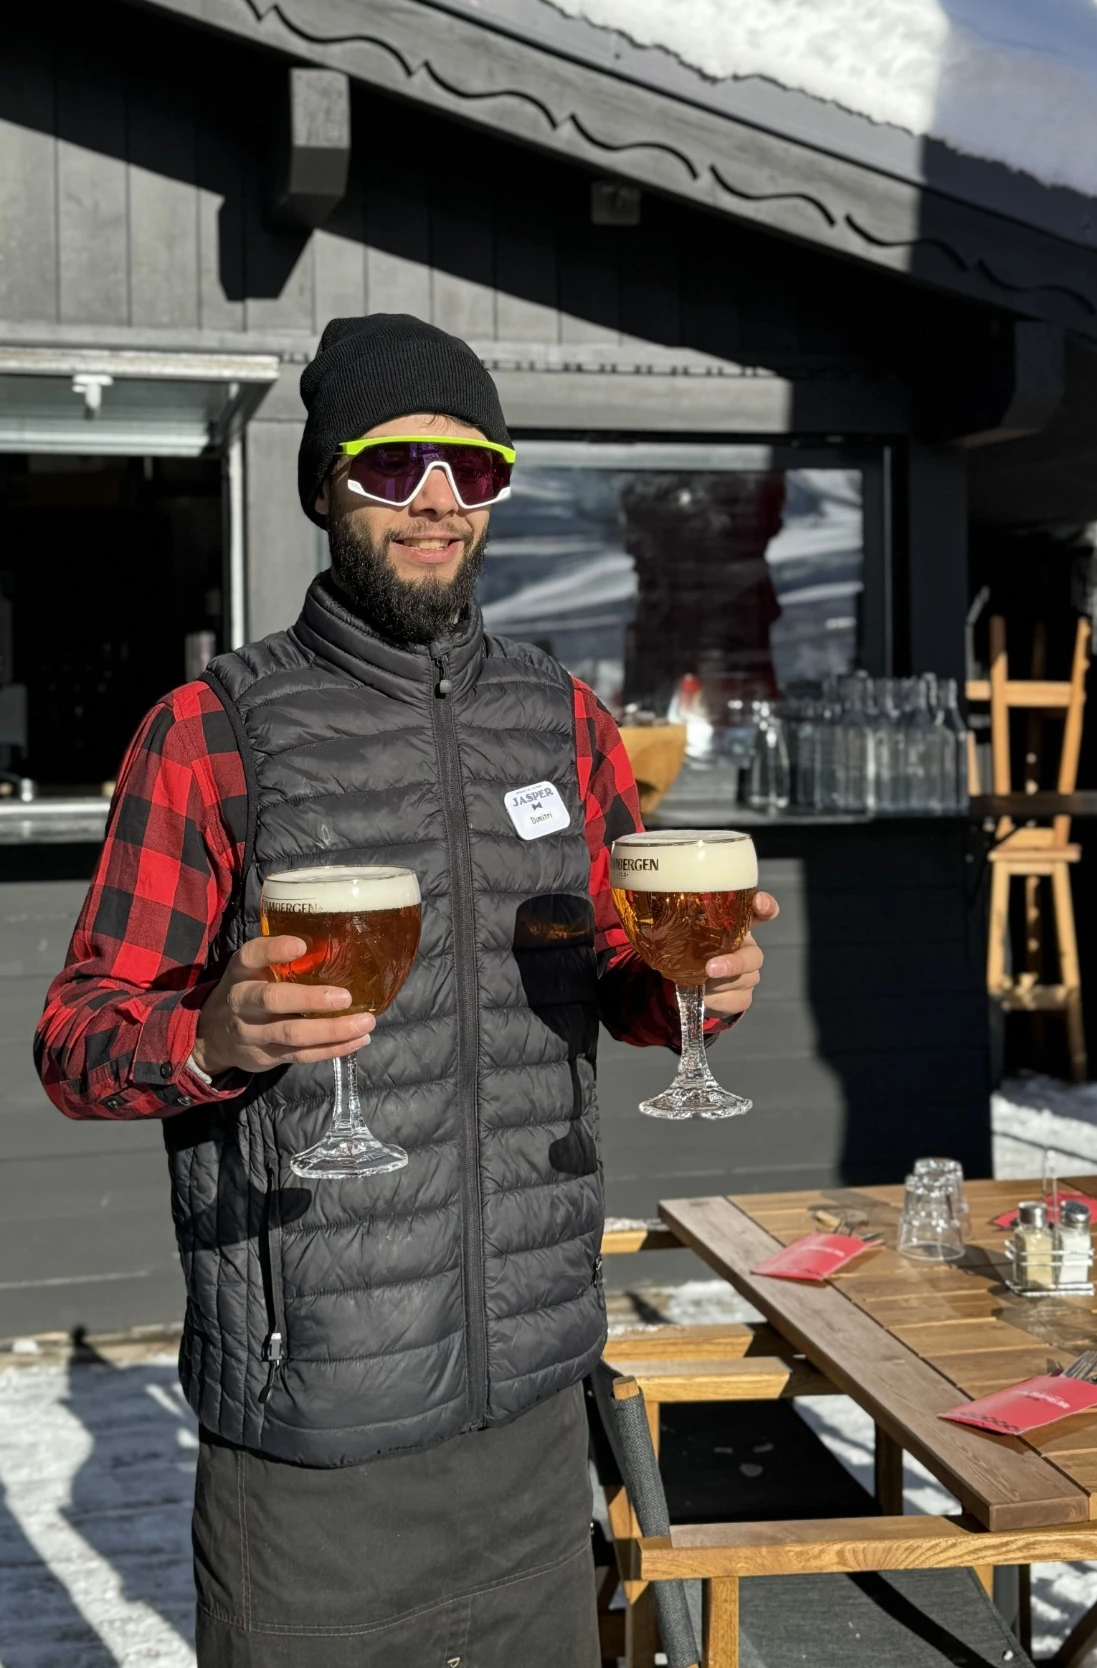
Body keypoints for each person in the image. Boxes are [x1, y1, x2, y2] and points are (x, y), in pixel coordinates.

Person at [34, 313, 777, 1668]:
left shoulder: (565, 719)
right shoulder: (210, 731)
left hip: (536, 1412)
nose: (436, 506)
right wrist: (209, 1036)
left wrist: (696, 989)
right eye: (392, 469)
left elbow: (607, 976)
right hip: (316, 1439)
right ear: (326, 485)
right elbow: (79, 1041)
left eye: (472, 472)